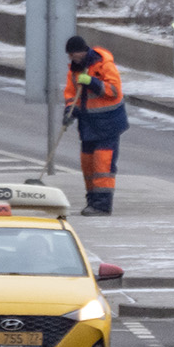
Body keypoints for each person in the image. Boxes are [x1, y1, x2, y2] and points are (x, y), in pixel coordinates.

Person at [64, 36, 130, 216]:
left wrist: (92, 82)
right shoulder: (75, 70)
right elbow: (71, 94)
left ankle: (102, 205)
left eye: (72, 54)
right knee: (88, 165)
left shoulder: (104, 65)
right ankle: (92, 201)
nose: (71, 58)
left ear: (81, 52)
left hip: (108, 124)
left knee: (102, 164)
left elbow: (114, 90)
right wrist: (69, 111)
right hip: (88, 125)